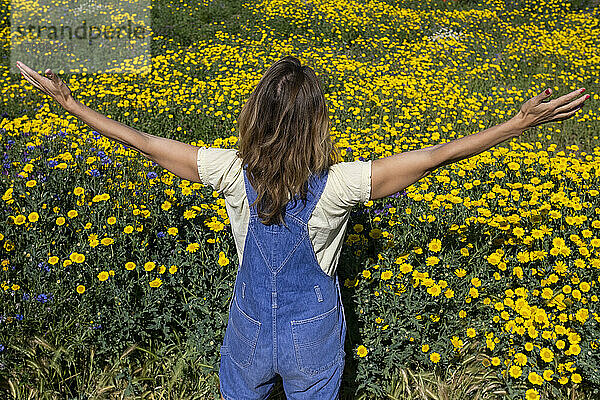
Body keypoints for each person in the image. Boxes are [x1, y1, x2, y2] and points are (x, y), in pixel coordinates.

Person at [16, 56, 589, 399]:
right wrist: (518, 123)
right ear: (317, 122)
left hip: (246, 335)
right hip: (312, 338)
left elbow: (140, 142)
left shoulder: (228, 169)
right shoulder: (339, 185)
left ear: (255, 115)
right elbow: (436, 156)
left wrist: (72, 106)